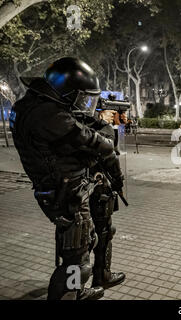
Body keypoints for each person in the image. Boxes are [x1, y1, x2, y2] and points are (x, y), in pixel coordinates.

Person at [9, 57, 125, 300]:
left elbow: (79, 126)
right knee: (77, 260)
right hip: (66, 193)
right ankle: (70, 293)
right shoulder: (49, 116)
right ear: (68, 92)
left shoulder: (34, 106)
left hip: (60, 190)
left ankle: (77, 291)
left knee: (80, 246)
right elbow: (92, 140)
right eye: (81, 97)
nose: (83, 104)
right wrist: (115, 170)